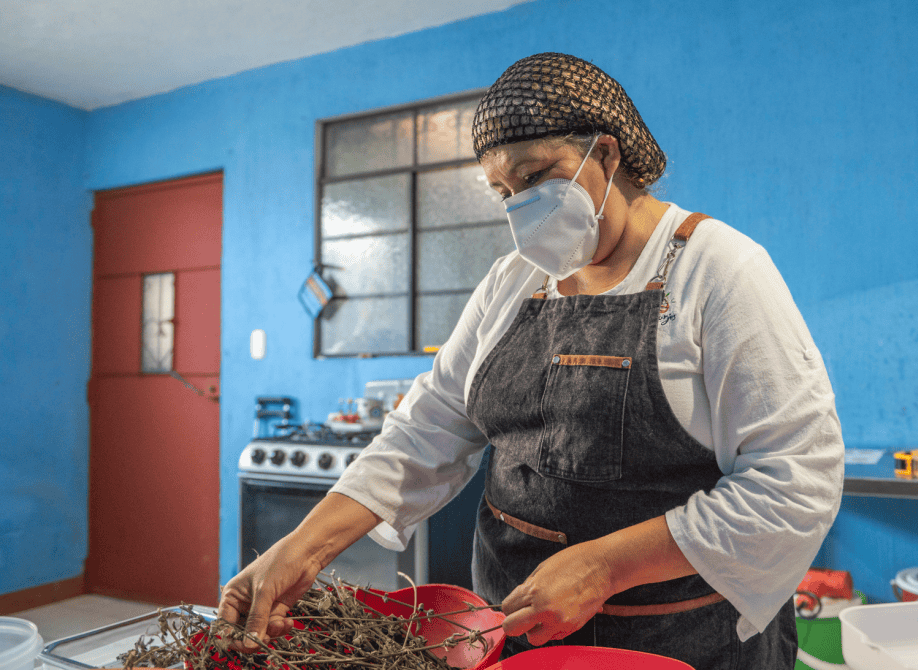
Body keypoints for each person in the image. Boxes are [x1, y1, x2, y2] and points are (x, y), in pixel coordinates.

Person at [218, 52, 844, 669]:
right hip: (510, 634)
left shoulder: (719, 270)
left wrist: (605, 566)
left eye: (538, 175)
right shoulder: (513, 281)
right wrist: (300, 550)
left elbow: (794, 484)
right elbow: (427, 427)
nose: (521, 206)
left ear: (605, 153)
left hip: (680, 642)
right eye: (503, 192)